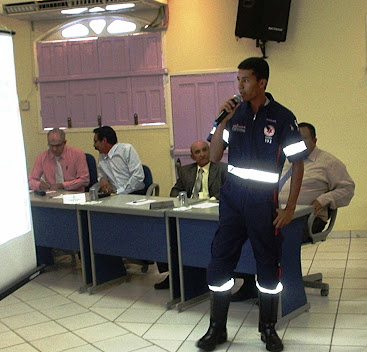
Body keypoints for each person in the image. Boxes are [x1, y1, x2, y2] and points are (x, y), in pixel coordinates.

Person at [196, 57, 307, 352]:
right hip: (232, 201)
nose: (240, 86)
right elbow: (216, 155)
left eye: (245, 80)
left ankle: (268, 329)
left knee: (268, 267)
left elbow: (298, 165)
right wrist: (222, 121)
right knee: (220, 262)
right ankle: (216, 328)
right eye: (238, 80)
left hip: (263, 202)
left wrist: (290, 208)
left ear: (262, 83)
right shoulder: (235, 114)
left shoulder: (283, 118)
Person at [230, 122, 356, 303]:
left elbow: (347, 188)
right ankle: (249, 284)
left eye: (303, 138)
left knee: (268, 237)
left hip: (307, 219)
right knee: (240, 231)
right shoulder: (283, 160)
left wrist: (323, 200)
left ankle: (278, 288)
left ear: (314, 140)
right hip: (273, 214)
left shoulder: (328, 162)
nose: (298, 143)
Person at [154, 140, 227, 290]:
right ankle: (174, 274)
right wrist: (182, 199)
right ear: (192, 156)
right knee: (167, 233)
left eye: (205, 150)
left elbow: (227, 190)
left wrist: (212, 199)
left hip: (212, 215)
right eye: (198, 152)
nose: (202, 154)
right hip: (189, 212)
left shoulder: (222, 169)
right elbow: (175, 190)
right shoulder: (185, 171)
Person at [28, 128, 89, 193]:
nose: (54, 149)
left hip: (74, 195)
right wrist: (39, 185)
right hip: (52, 196)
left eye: (57, 146)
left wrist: (62, 185)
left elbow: (84, 180)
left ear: (64, 143)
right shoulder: (42, 157)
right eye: (51, 145)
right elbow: (31, 180)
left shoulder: (77, 154)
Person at [93, 126, 144, 194]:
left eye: (96, 141)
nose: (94, 145)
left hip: (133, 193)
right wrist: (102, 179)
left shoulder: (126, 150)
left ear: (104, 140)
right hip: (114, 195)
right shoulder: (102, 156)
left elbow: (138, 177)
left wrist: (119, 192)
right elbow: (101, 174)